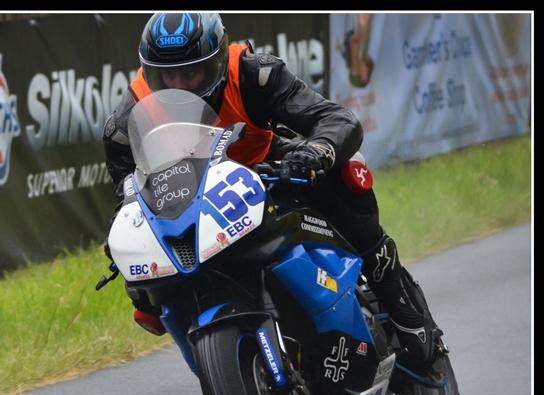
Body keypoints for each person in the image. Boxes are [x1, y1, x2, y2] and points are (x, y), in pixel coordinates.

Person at [102, 12, 441, 370]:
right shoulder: (128, 118)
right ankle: (215, 358)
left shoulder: (253, 74)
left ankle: (399, 302)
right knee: (144, 288)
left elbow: (337, 120)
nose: (180, 85)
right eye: (167, 76)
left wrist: (316, 152)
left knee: (346, 172)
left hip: (266, 168)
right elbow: (128, 189)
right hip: (195, 202)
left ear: (216, 62)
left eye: (191, 73)